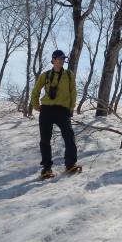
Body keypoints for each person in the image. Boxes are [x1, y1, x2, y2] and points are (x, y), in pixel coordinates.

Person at [30, 49, 79, 178]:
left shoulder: (69, 75)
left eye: (64, 59)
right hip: (46, 110)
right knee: (45, 140)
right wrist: (36, 105)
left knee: (69, 136)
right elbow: (35, 91)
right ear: (54, 59)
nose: (62, 61)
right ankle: (47, 169)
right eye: (60, 58)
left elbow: (73, 92)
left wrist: (71, 108)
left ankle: (70, 164)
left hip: (62, 110)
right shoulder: (45, 75)